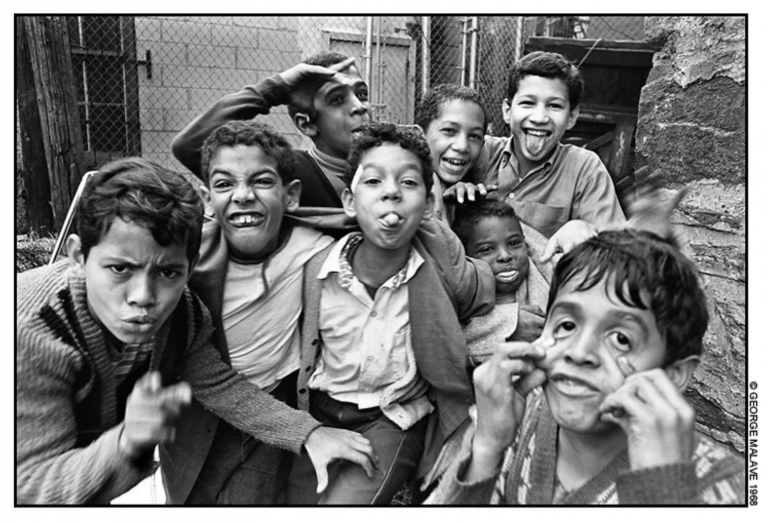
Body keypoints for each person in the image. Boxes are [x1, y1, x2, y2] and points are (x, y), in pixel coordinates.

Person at [15, 158, 376, 505]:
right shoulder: (35, 332)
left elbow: (218, 383)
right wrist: (127, 441)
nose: (144, 297)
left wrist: (307, 432)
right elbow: (28, 490)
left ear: (190, 269)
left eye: (168, 273)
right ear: (78, 255)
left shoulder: (183, 313)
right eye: (120, 269)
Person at [425, 228, 745, 504]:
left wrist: (659, 494)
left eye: (621, 338)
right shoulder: (520, 417)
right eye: (566, 325)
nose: (579, 353)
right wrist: (487, 445)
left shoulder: (717, 485)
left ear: (673, 375)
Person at [286, 122, 495, 504]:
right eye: (374, 182)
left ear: (429, 205)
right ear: (350, 201)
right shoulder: (314, 269)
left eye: (409, 183)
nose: (391, 193)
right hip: (319, 415)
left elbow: (483, 289)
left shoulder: (437, 267)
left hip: (393, 419)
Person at [169, 121, 376, 504]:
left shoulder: (315, 248)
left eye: (261, 181)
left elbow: (394, 230)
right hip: (196, 420)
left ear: (290, 195)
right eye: (224, 184)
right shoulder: (187, 266)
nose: (243, 195)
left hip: (273, 412)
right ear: (206, 198)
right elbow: (200, 372)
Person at [171, 51, 369, 210]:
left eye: (362, 94)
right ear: (306, 125)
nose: (360, 106)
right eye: (337, 99)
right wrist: (277, 88)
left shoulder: (391, 163)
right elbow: (190, 145)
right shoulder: (289, 172)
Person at [472, 50, 626, 253]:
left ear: (571, 116)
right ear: (507, 111)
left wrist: (579, 229)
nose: (539, 117)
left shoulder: (584, 169)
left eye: (554, 106)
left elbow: (618, 249)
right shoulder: (481, 153)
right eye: (528, 103)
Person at [452, 199, 551, 364]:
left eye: (514, 243)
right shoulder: (461, 301)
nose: (505, 255)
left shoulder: (552, 285)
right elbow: (446, 345)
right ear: (466, 259)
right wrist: (506, 326)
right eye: (486, 249)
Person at [413, 83, 490, 221]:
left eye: (474, 136)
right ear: (419, 136)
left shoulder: (470, 193)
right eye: (449, 131)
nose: (462, 146)